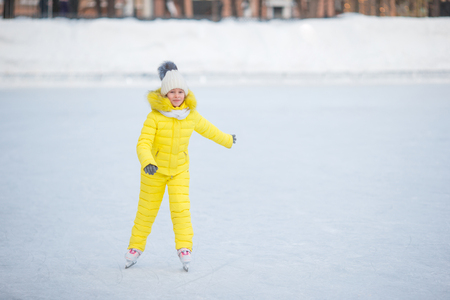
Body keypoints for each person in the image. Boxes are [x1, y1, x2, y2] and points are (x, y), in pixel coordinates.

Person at [125, 61, 236, 271]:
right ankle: (135, 247)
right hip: (153, 171)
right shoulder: (155, 117)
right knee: (146, 211)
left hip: (179, 172)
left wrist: (227, 139)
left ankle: (184, 247)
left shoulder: (190, 115)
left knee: (181, 210)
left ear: (185, 93)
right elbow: (143, 143)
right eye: (172, 92)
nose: (177, 96)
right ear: (165, 94)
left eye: (180, 91)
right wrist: (147, 161)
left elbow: (209, 129)